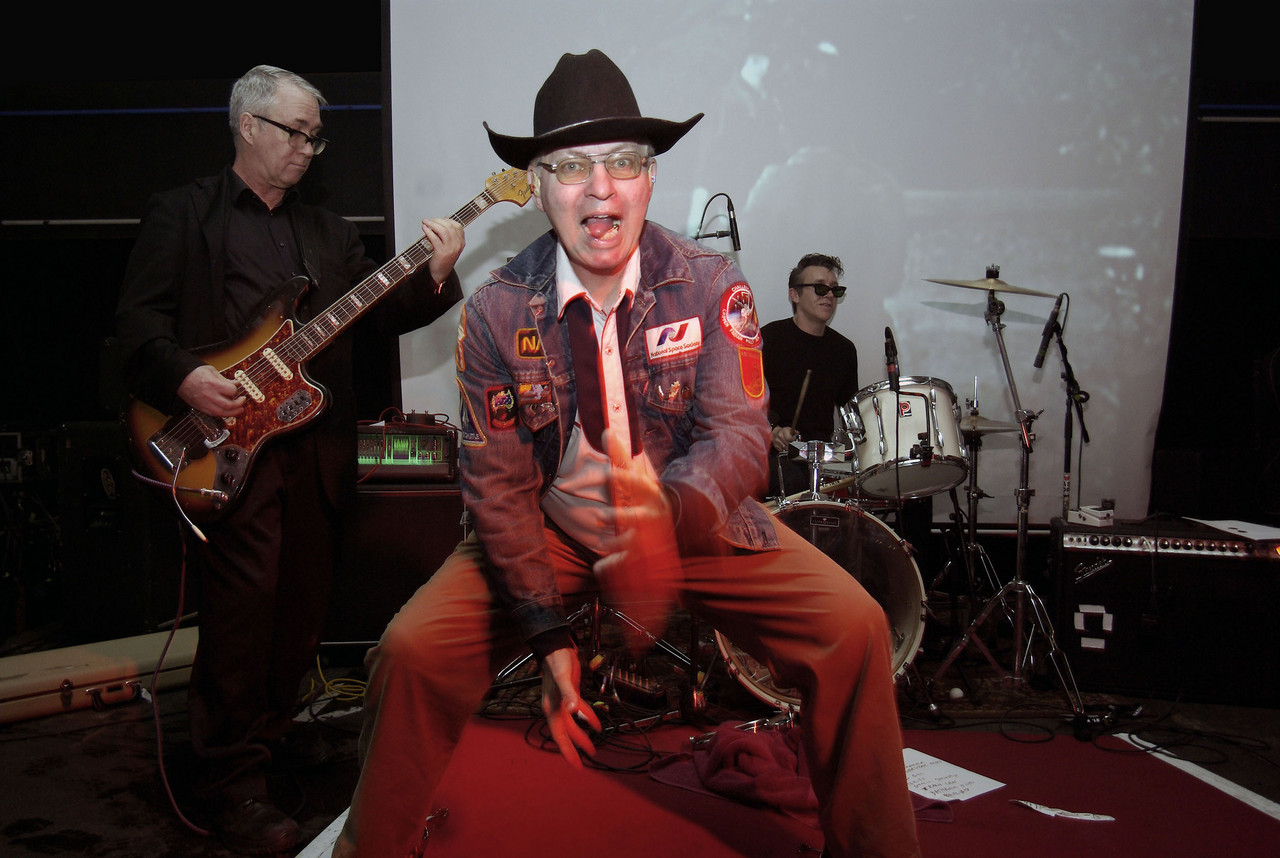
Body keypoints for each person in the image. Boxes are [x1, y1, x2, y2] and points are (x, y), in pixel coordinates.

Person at [332, 50, 921, 858]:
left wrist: (667, 515)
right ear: (537, 187)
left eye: (623, 163)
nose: (599, 186)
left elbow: (742, 437)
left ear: (650, 180)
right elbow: (499, 487)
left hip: (693, 519)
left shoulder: (713, 283)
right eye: (571, 165)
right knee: (410, 652)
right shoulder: (499, 313)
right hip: (554, 528)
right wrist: (548, 636)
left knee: (853, 629)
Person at [114, 64, 465, 856]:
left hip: (313, 454)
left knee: (299, 619)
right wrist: (186, 377)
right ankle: (232, 785)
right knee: (241, 621)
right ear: (248, 125)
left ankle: (263, 751)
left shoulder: (330, 232)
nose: (311, 147)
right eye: (297, 132)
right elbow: (136, 326)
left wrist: (435, 273)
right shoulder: (184, 216)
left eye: (316, 135)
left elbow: (374, 320)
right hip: (225, 455)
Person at [761, 253, 859, 497]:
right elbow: (739, 404)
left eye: (834, 290)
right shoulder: (768, 340)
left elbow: (852, 417)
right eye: (819, 288)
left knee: (904, 482)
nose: (828, 295)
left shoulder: (844, 350)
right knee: (794, 479)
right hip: (775, 455)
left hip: (823, 456)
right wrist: (772, 431)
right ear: (794, 294)